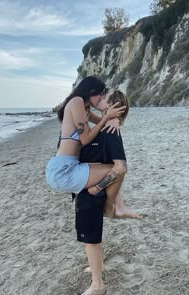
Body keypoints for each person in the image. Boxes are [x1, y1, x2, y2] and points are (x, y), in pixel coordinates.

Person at [76, 89, 144, 295]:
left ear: (113, 107)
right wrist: (112, 119)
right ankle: (100, 267)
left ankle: (98, 286)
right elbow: (83, 112)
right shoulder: (106, 126)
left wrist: (98, 187)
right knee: (93, 234)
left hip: (93, 190)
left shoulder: (110, 132)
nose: (100, 97)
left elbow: (121, 167)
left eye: (105, 98)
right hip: (90, 187)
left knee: (90, 239)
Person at [46, 76, 128, 216]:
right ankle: (110, 209)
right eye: (100, 94)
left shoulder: (85, 108)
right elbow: (85, 139)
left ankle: (117, 206)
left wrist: (115, 121)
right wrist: (108, 118)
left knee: (116, 168)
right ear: (91, 92)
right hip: (63, 170)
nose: (101, 98)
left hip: (69, 165)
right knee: (118, 169)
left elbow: (102, 121)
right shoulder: (76, 102)